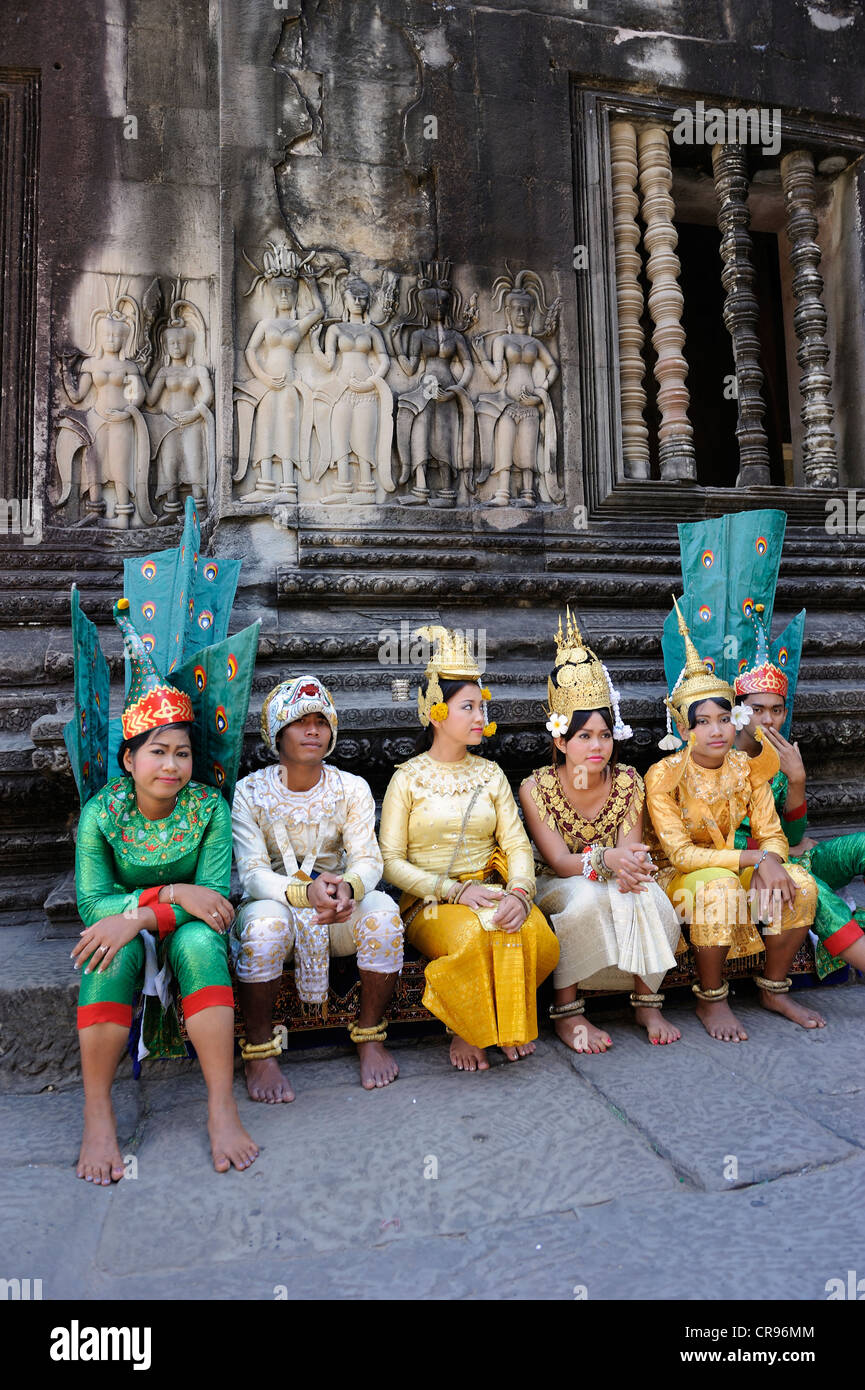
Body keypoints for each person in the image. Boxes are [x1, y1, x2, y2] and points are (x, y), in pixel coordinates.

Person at [74, 600, 258, 1183]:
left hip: (182, 931)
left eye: (182, 753)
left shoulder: (207, 807)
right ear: (129, 758)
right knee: (108, 951)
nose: (172, 765)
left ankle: (220, 1105)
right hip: (129, 928)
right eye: (157, 751)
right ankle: (98, 1114)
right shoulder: (101, 812)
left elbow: (215, 902)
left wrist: (152, 905)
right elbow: (91, 905)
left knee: (204, 947)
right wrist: (162, 904)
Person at [379, 626, 559, 1072]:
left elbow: (516, 843)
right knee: (474, 933)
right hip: (430, 902)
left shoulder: (492, 774)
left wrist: (520, 892)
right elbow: (389, 861)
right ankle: (466, 1028)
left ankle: (507, 1020)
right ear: (437, 713)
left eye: (482, 706)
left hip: (494, 889)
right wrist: (453, 892)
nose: (480, 716)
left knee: (533, 931)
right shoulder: (407, 778)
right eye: (468, 707)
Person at [644, 600, 821, 1044]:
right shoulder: (664, 775)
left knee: (800, 884)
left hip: (733, 865)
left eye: (724, 718)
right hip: (675, 876)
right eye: (702, 722)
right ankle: (711, 996)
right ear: (683, 729)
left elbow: (774, 834)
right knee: (720, 887)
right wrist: (756, 857)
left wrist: (772, 859)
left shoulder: (747, 768)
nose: (716, 730)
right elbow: (682, 854)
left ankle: (774, 989)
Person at [231, 675, 404, 1098]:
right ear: (276, 733)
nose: (313, 730)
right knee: (264, 927)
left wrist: (348, 889)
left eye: (322, 721)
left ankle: (370, 1036)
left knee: (383, 915)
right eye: (300, 721)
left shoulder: (351, 788)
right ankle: (259, 1052)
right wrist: (300, 894)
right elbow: (252, 873)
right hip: (276, 905)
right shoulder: (249, 792)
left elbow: (367, 859)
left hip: (335, 907)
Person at [519, 611, 683, 1053]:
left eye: (605, 735)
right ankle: (567, 1010)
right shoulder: (536, 788)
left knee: (645, 893)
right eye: (585, 736)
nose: (597, 747)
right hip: (558, 882)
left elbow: (632, 852)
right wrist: (607, 861)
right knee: (588, 896)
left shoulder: (629, 780)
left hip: (613, 874)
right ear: (560, 740)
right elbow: (558, 862)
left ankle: (646, 1001)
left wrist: (628, 868)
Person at [732, 606, 865, 979]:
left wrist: (798, 781)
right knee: (814, 888)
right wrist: (777, 851)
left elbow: (790, 835)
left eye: (776, 710)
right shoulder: (716, 759)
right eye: (757, 709)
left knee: (861, 847)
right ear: (739, 711)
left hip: (788, 855)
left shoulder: (780, 758)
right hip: (751, 869)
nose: (769, 719)